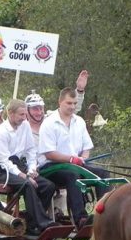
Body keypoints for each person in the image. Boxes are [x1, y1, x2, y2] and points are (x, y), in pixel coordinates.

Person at [38, 87, 111, 229]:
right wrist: (71, 159)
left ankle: (104, 214)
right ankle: (81, 218)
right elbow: (49, 153)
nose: (72, 107)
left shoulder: (79, 121)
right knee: (73, 175)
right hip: (51, 167)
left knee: (103, 174)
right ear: (60, 102)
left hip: (75, 165)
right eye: (69, 103)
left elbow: (86, 147)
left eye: (74, 103)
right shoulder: (49, 123)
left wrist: (83, 158)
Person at [0, 99, 57, 235]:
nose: (24, 118)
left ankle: (32, 223)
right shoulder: (0, 133)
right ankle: (42, 222)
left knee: (48, 186)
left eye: (25, 114)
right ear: (10, 113)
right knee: (27, 184)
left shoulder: (25, 125)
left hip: (18, 165)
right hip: (0, 170)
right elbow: (4, 161)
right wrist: (24, 176)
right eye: (21, 114)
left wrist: (32, 169)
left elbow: (31, 150)